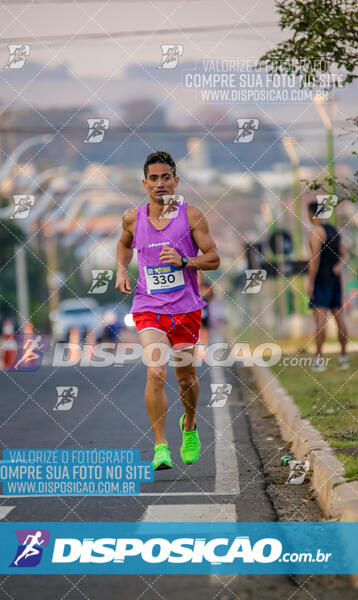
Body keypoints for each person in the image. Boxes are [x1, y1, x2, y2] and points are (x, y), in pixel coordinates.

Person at [115, 151, 220, 470]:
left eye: (166, 177)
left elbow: (214, 258)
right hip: (148, 307)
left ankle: (189, 425)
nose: (160, 183)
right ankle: (161, 445)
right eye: (154, 178)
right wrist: (121, 270)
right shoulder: (133, 217)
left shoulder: (191, 216)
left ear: (176, 181)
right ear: (144, 183)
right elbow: (124, 244)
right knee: (156, 370)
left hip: (186, 309)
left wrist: (186, 261)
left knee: (186, 377)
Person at [307, 201, 349, 371]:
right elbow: (345, 255)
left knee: (320, 320)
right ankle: (344, 357)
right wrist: (338, 267)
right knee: (339, 318)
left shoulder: (316, 231)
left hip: (321, 280)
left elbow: (314, 260)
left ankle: (319, 359)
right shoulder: (333, 230)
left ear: (312, 214)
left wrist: (310, 283)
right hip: (334, 279)